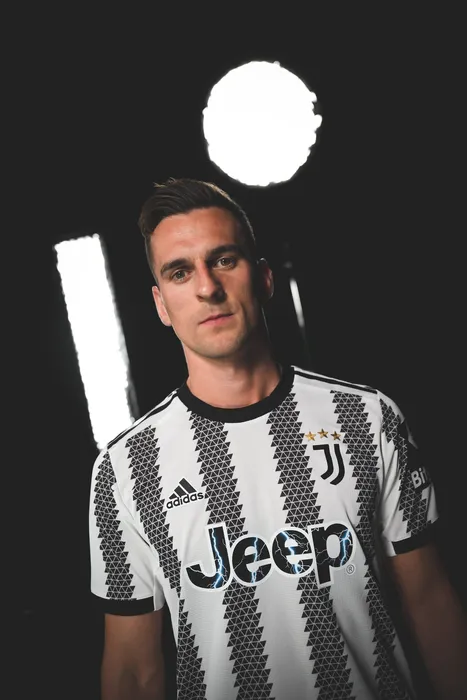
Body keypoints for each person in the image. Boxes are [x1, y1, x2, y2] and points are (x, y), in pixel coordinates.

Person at [89, 178, 467, 700]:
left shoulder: (367, 418)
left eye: (224, 260)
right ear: (161, 304)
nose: (207, 287)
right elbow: (133, 671)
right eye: (180, 272)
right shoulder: (124, 468)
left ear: (264, 277)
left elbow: (430, 603)